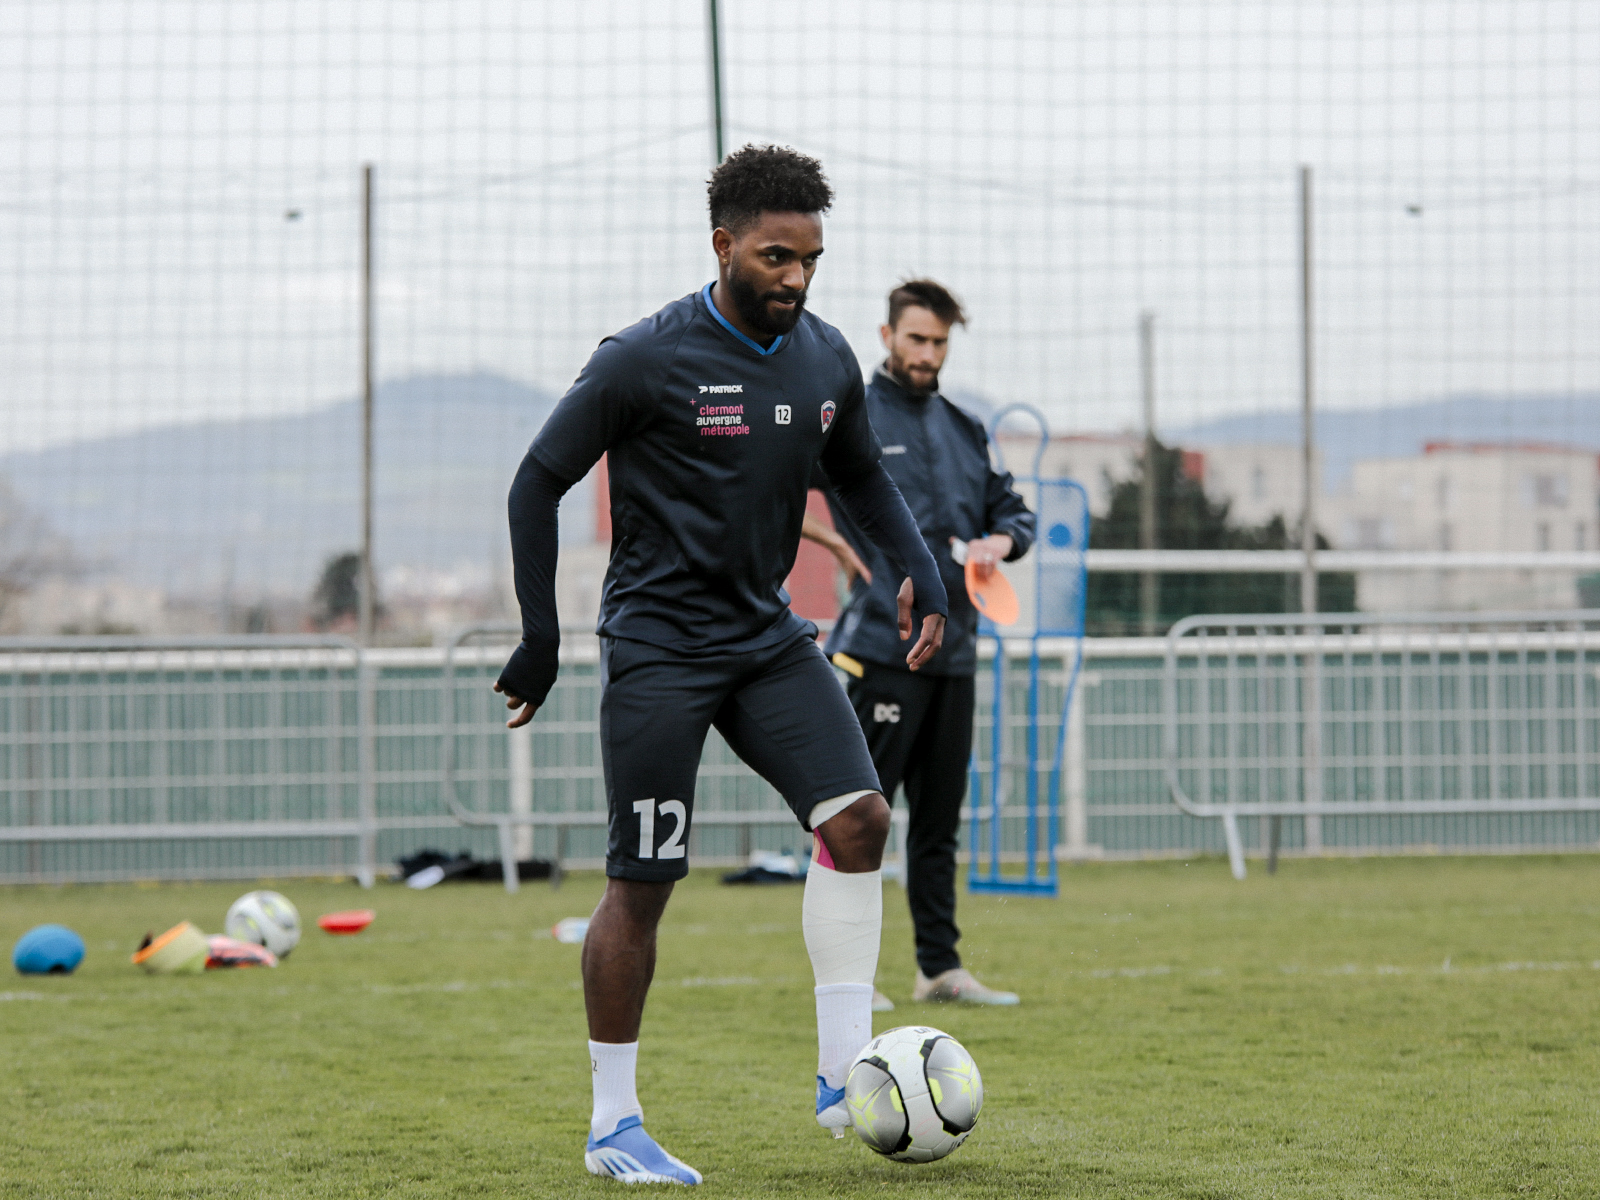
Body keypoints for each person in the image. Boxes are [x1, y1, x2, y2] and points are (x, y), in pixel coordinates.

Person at [494, 145, 948, 1186]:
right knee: (642, 886)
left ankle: (844, 1074)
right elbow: (536, 483)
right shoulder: (641, 360)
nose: (794, 277)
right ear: (724, 244)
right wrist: (541, 637)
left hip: (765, 639)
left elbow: (861, 480)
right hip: (657, 651)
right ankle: (614, 1124)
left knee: (860, 819)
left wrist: (923, 574)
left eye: (811, 259)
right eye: (776, 255)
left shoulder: (826, 357)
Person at [804, 279, 1035, 1010]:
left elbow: (1014, 514)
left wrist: (1001, 539)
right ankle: (851, 979)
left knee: (938, 825)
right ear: (886, 335)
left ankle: (940, 970)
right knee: (857, 819)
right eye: (916, 339)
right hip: (882, 651)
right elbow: (768, 487)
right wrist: (832, 543)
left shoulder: (966, 428)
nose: (928, 353)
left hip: (956, 653)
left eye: (939, 342)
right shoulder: (850, 419)